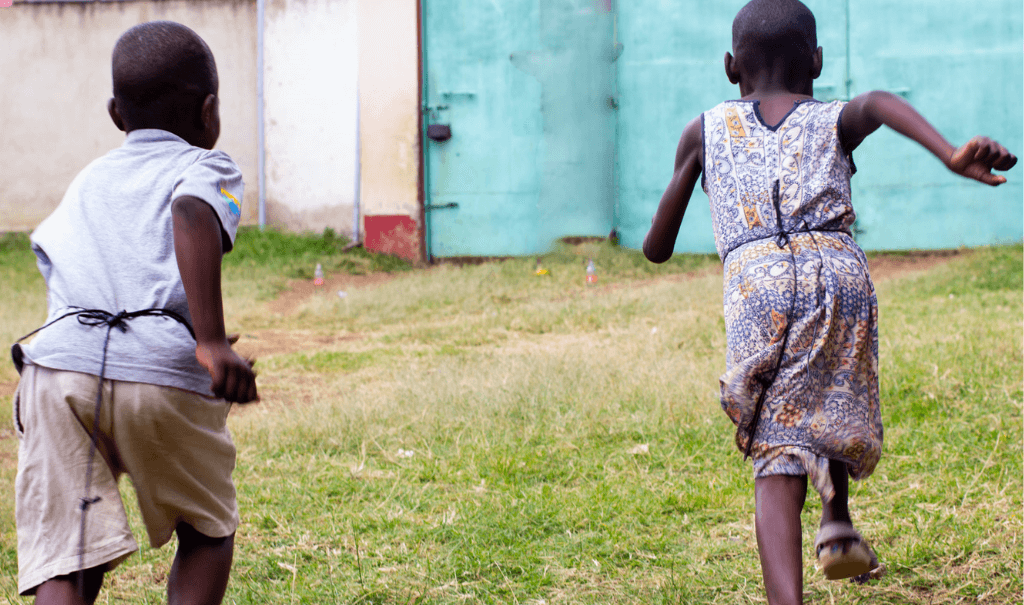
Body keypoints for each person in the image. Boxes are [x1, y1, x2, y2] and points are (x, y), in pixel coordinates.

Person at [642, 1, 1016, 604]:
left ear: (730, 66)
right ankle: (836, 519)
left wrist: (689, 180)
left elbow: (657, 248)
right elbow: (874, 103)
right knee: (830, 390)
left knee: (776, 446)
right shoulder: (829, 118)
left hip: (757, 283)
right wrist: (949, 154)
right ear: (815, 61)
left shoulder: (704, 129)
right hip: (838, 273)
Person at [10, 21, 259, 605]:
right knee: (205, 529)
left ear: (116, 113)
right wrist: (212, 340)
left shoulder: (87, 180)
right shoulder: (206, 167)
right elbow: (193, 211)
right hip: (160, 374)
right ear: (210, 111)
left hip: (57, 374)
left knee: (68, 553)